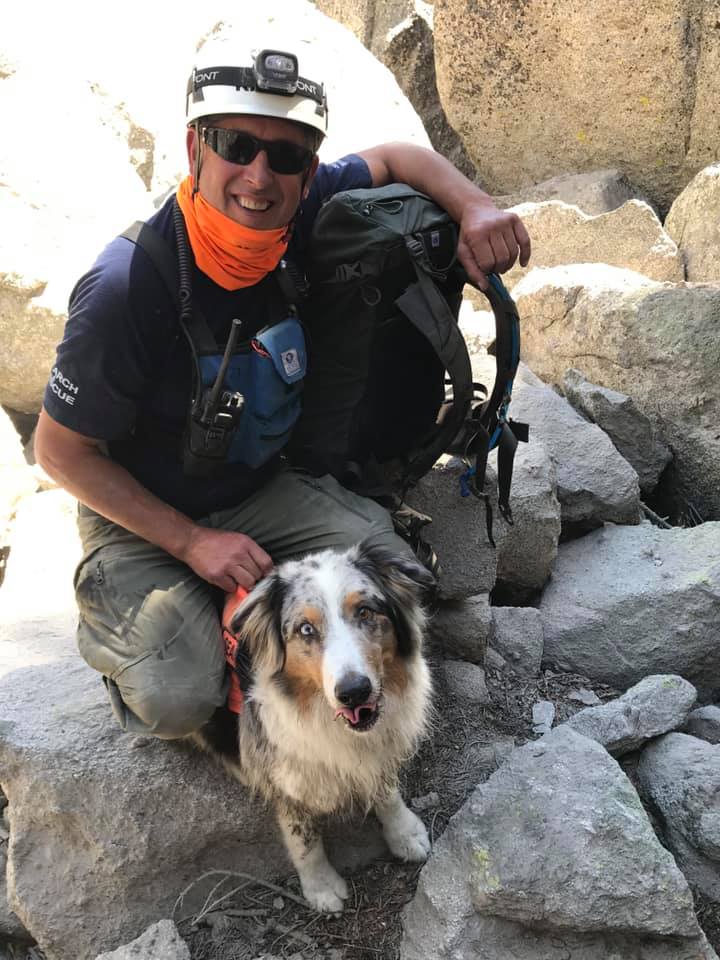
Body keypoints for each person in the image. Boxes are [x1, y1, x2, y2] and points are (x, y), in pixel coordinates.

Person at [35, 38, 531, 739]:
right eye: (236, 146)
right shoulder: (127, 284)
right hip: (140, 509)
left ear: (310, 169)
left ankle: (236, 607)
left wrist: (476, 208)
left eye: (287, 155)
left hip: (254, 486)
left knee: (391, 578)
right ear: (195, 149)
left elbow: (399, 157)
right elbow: (59, 453)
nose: (259, 175)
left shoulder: (301, 205)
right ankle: (150, 621)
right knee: (178, 698)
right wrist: (192, 543)